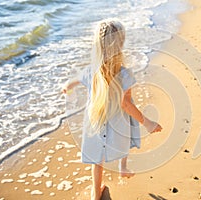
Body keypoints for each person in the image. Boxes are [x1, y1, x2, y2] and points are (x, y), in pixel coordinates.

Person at [62, 19, 162, 200]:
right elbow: (126, 104)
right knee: (127, 138)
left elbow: (75, 80)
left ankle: (96, 192)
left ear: (97, 46)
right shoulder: (125, 74)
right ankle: (123, 168)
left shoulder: (91, 71)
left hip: (96, 121)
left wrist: (67, 87)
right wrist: (147, 122)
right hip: (118, 122)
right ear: (120, 44)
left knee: (97, 160)